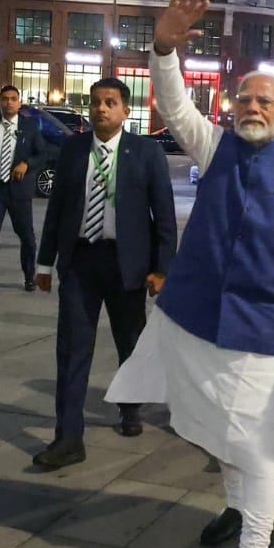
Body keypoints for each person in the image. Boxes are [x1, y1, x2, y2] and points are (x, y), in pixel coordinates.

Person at [106, 0, 274, 548]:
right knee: (229, 434)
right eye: (246, 98)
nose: (254, 106)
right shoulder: (216, 147)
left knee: (262, 444)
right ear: (233, 107)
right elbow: (174, 106)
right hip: (203, 319)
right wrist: (164, 46)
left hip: (270, 329)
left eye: (267, 100)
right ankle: (236, 508)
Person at [32, 77, 176, 469]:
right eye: (96, 102)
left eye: (110, 102)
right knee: (72, 349)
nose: (101, 108)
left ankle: (130, 408)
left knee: (129, 343)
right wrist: (44, 263)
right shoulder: (75, 149)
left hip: (126, 265)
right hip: (80, 263)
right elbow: (58, 209)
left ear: (125, 111)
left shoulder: (144, 152)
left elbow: (163, 216)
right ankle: (68, 438)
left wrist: (162, 269)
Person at [0, 86, 45, 302]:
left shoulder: (29, 126)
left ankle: (29, 275)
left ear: (19, 103)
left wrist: (26, 164)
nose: (9, 103)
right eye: (5, 99)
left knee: (27, 237)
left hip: (19, 191)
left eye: (13, 99)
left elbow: (43, 153)